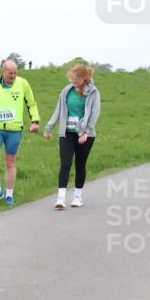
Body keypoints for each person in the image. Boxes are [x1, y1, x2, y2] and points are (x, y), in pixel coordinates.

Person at [0, 60, 41, 205]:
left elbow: (31, 104)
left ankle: (9, 195)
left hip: (14, 130)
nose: (13, 76)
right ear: (3, 71)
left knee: (10, 161)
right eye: (10, 73)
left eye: (15, 73)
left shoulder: (23, 83)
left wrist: (35, 121)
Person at [44, 64, 101, 209]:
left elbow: (94, 113)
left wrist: (86, 132)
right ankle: (61, 198)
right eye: (71, 78)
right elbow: (59, 110)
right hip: (67, 133)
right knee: (65, 163)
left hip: (85, 134)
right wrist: (49, 128)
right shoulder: (66, 91)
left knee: (80, 164)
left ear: (84, 78)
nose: (73, 81)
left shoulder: (93, 92)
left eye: (76, 79)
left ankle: (77, 197)